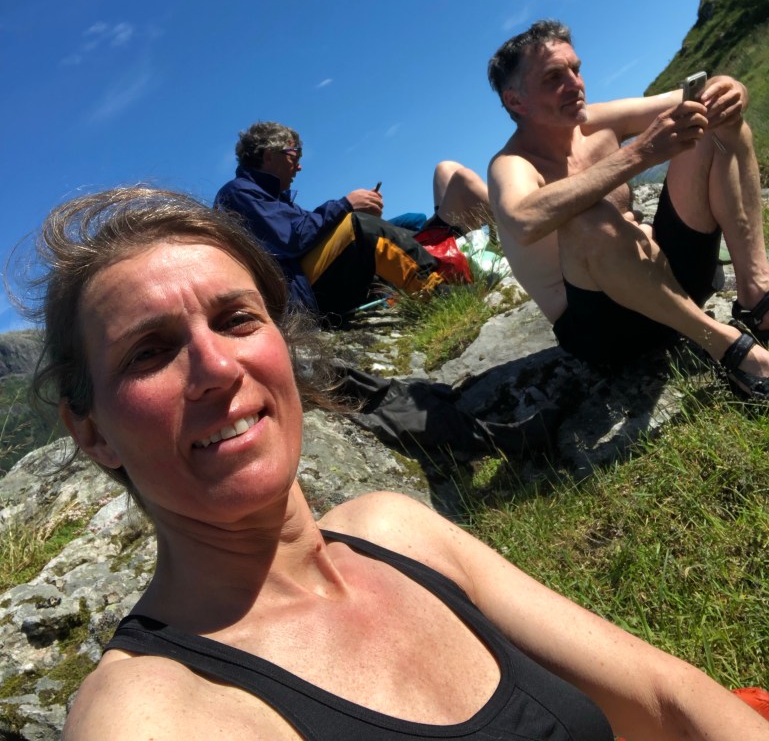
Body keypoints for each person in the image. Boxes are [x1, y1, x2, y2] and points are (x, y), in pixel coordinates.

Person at [23, 186, 768, 740]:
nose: (217, 367)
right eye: (150, 352)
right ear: (92, 433)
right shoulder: (151, 712)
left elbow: (668, 697)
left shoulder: (396, 530)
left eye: (236, 318)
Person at [487, 19, 769, 396]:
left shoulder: (598, 122)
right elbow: (523, 219)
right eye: (554, 77)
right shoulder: (511, 164)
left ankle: (757, 298)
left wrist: (732, 91)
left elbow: (704, 95)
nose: (575, 84)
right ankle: (728, 348)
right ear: (515, 101)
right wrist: (641, 152)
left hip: (674, 282)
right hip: (608, 331)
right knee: (587, 219)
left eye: (575, 70)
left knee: (715, 124)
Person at [214, 121, 485, 317]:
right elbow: (293, 238)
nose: (299, 166)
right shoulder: (238, 193)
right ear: (269, 156)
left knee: (409, 220)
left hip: (310, 277)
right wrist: (347, 206)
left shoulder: (267, 196)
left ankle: (449, 260)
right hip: (302, 295)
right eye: (295, 155)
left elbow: (308, 233)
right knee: (361, 227)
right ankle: (438, 292)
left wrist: (356, 210)